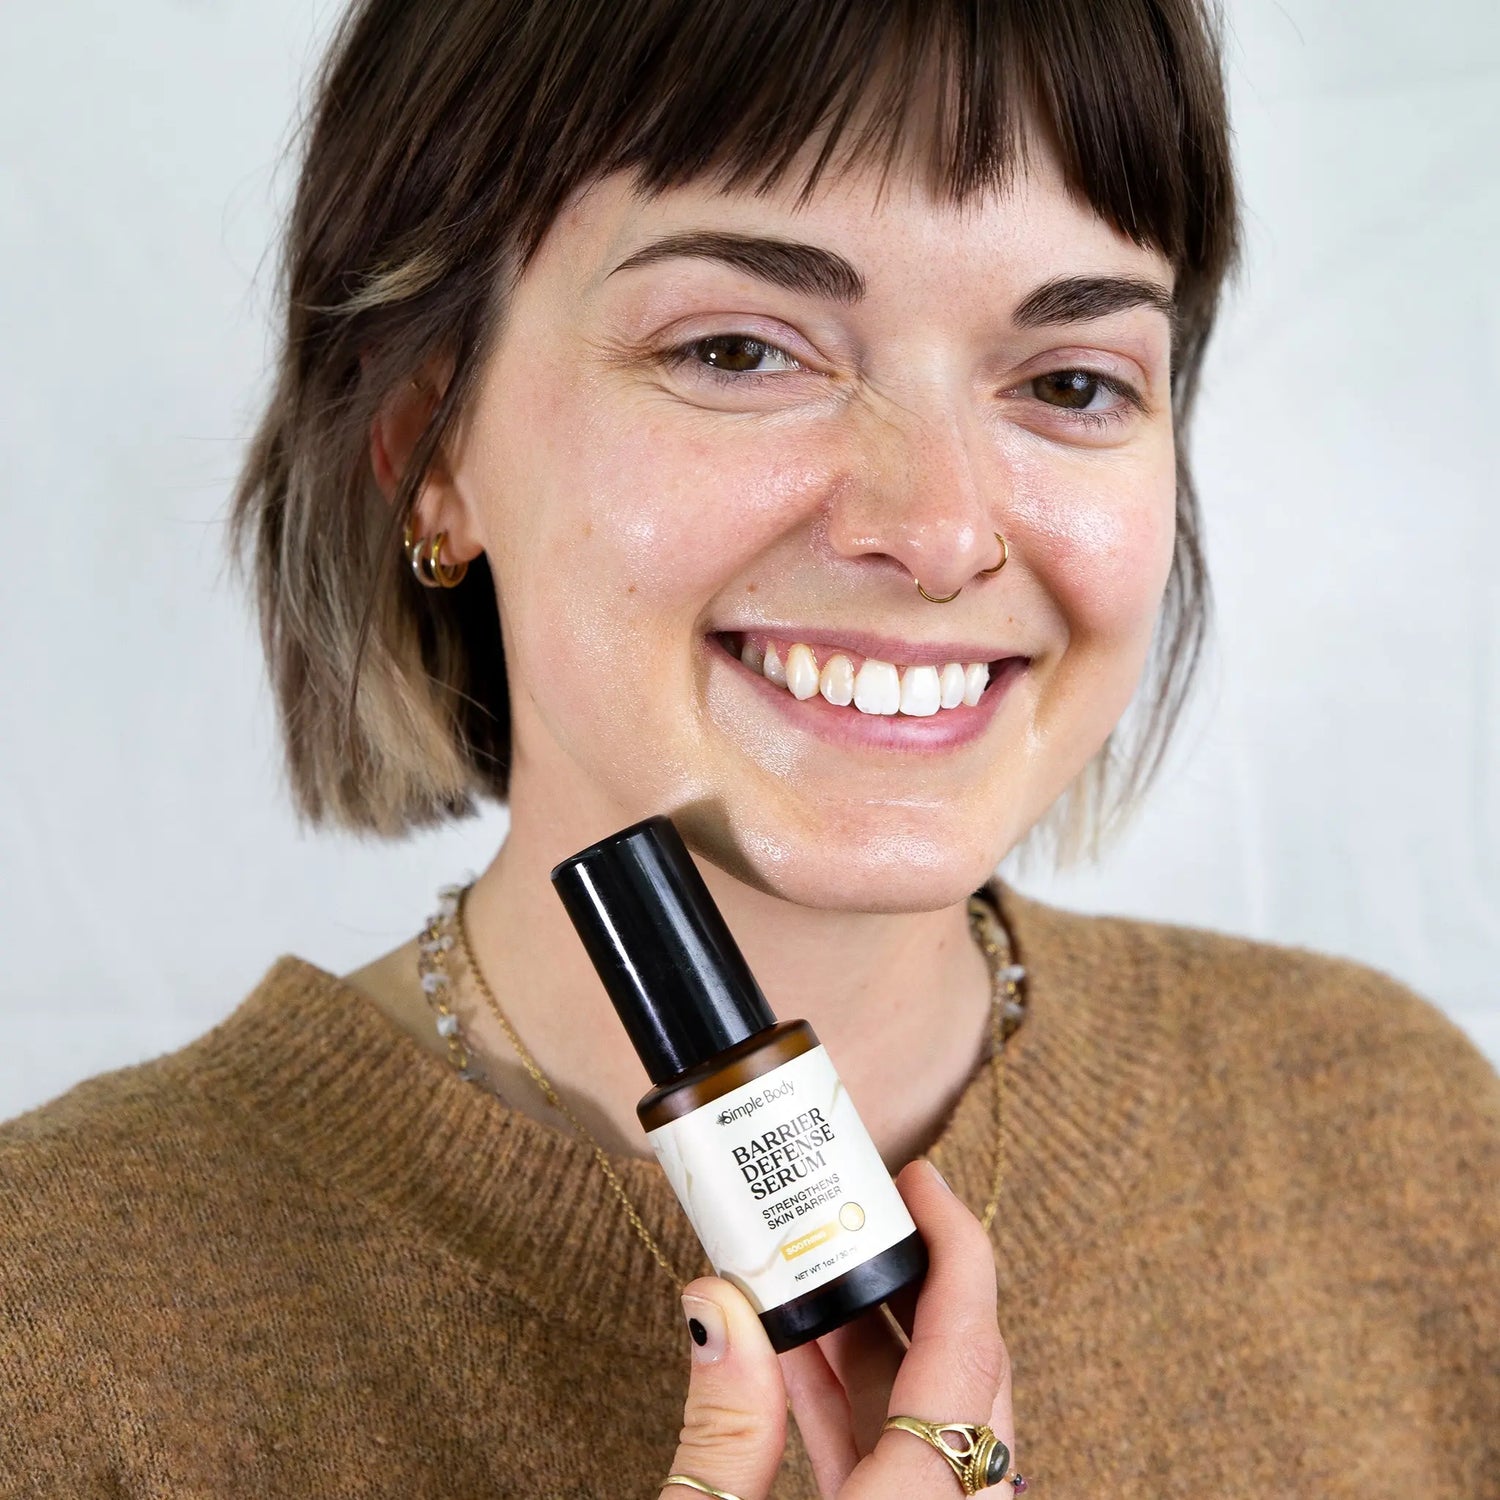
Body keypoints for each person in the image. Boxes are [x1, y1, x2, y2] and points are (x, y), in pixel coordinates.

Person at [2, 1, 1495, 1496]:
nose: (937, 532)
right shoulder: (54, 1324)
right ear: (426, 447)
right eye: (737, 349)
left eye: (1069, 381)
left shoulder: (1405, 1147)